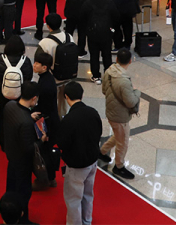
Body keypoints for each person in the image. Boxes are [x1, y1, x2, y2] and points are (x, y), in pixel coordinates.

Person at [59, 81, 103, 225]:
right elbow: (99, 134)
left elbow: (63, 143)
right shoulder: (93, 112)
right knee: (88, 195)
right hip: (92, 162)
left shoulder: (69, 120)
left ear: (66, 96)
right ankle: (87, 221)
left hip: (76, 166)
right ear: (82, 95)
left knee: (73, 199)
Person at [3, 81, 42, 224]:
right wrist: (42, 140)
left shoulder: (10, 106)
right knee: (23, 194)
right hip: (22, 164)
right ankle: (22, 219)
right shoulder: (26, 122)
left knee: (11, 189)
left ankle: (9, 216)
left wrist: (28, 117)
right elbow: (29, 148)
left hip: (11, 158)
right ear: (34, 98)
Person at [100, 49, 140, 180]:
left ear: (116, 59)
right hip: (120, 116)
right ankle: (119, 166)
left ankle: (102, 152)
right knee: (123, 142)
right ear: (130, 61)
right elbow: (130, 102)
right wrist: (137, 93)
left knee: (119, 135)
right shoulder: (124, 80)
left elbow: (104, 90)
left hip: (111, 111)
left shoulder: (109, 71)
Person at [33, 51, 59, 186]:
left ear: (44, 67)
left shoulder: (46, 84)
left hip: (48, 122)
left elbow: (44, 107)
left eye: (37, 63)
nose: (34, 65)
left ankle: (46, 179)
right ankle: (50, 177)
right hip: (50, 118)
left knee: (45, 152)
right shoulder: (46, 77)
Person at [84, 0, 118, 83]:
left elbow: (82, 17)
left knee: (94, 55)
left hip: (92, 33)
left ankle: (96, 76)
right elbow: (116, 16)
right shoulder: (109, 2)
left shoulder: (87, 3)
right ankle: (108, 76)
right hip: (106, 33)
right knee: (107, 54)